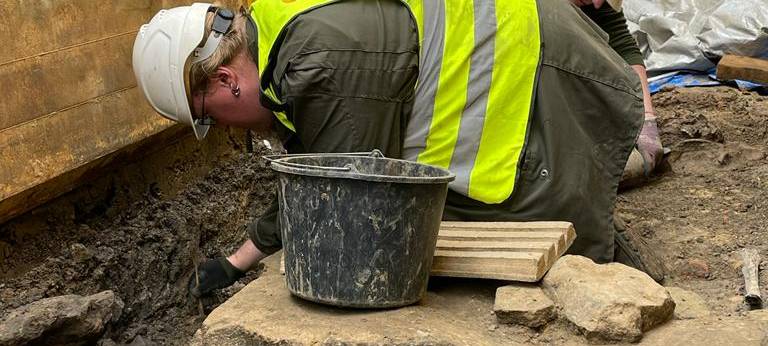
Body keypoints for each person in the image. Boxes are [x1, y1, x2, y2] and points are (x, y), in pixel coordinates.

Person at [132, 0, 664, 298]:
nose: (223, 130)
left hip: (534, 75)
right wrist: (238, 259)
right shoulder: (279, 32)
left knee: (571, 255)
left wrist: (238, 260)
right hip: (516, 61)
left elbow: (336, 184)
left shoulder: (322, 57)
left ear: (225, 80)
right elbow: (321, 162)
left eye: (208, 119)